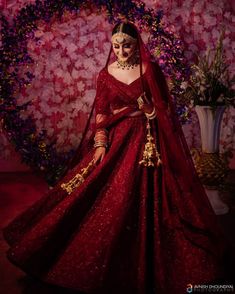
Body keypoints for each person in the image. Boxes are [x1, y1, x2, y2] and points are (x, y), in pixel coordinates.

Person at [3, 22, 227, 294]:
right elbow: (101, 113)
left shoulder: (149, 70)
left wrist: (149, 110)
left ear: (137, 44)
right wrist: (100, 145)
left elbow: (165, 108)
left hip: (147, 141)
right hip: (117, 139)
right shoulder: (105, 75)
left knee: (147, 196)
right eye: (116, 45)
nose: (121, 50)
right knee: (101, 191)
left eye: (127, 45)